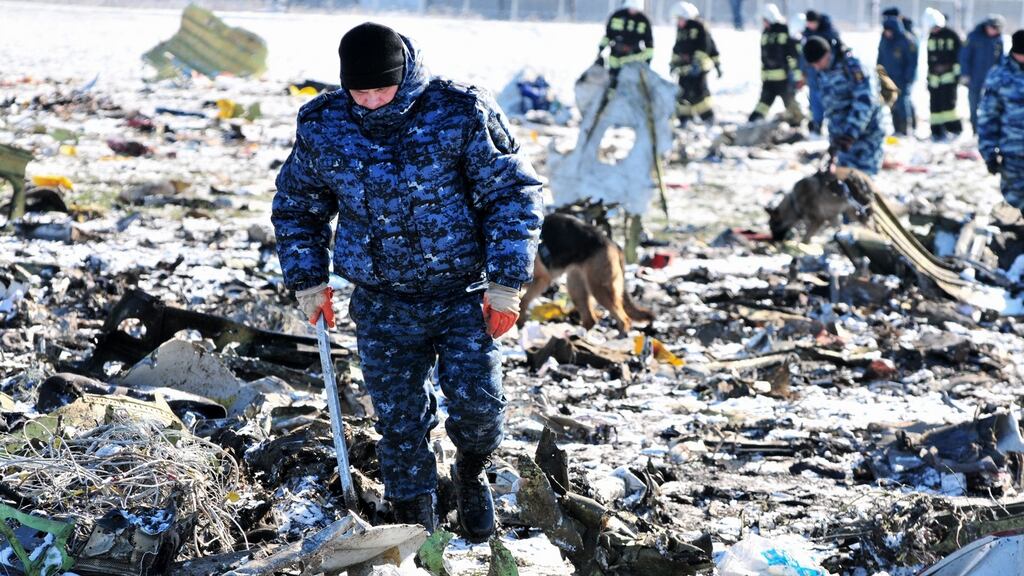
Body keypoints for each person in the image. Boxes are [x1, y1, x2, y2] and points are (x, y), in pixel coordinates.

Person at [271, 22, 543, 540]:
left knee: (479, 408)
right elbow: (298, 207)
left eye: (382, 88)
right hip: (381, 300)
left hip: (462, 294)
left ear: (406, 76)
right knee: (397, 423)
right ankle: (414, 522)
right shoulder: (324, 123)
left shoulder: (460, 112)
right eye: (360, 91)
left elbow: (512, 196)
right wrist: (309, 282)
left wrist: (507, 283)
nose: (371, 101)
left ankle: (470, 471)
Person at [803, 37, 886, 175]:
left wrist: (850, 133)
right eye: (813, 65)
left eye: (818, 62)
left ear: (827, 53)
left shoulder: (853, 66)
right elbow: (831, 106)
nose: (816, 67)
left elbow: (865, 101)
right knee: (845, 181)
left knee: (863, 181)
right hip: (843, 140)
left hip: (866, 135)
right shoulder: (823, 72)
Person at [978, 31, 1024, 211]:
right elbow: (988, 117)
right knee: (1015, 200)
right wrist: (988, 152)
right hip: (1013, 153)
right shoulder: (999, 75)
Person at [749, 3, 803, 125]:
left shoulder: (784, 30)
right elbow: (764, 56)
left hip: (783, 79)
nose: (764, 23)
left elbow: (792, 54)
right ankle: (754, 121)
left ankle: (798, 123)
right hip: (768, 78)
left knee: (790, 102)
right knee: (764, 102)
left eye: (765, 20)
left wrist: (797, 75)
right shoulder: (765, 33)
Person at [669, 1, 720, 126]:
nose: (678, 22)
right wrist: (673, 64)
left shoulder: (699, 27)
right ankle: (685, 120)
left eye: (680, 18)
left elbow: (706, 47)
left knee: (699, 95)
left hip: (698, 69)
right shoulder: (681, 30)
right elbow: (677, 48)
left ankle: (708, 118)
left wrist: (697, 63)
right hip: (684, 70)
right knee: (682, 95)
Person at [961, 14, 1005, 134]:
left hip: (992, 80)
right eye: (993, 28)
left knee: (991, 106)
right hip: (974, 78)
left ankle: (988, 129)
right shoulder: (973, 37)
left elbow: (1001, 60)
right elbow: (964, 57)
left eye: (997, 29)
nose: (994, 31)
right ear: (987, 26)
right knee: (974, 105)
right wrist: (965, 74)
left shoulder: (999, 39)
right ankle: (975, 129)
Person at [924, 8, 963, 140]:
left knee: (949, 104)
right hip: (934, 77)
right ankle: (936, 131)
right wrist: (929, 77)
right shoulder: (931, 37)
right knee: (934, 105)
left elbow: (959, 56)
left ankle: (954, 128)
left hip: (949, 76)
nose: (933, 30)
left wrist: (957, 75)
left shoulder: (952, 35)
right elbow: (929, 58)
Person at [877, 14, 918, 135]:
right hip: (888, 78)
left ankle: (905, 128)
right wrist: (880, 73)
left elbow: (912, 62)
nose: (887, 33)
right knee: (892, 103)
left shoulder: (907, 40)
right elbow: (880, 58)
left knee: (902, 103)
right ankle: (896, 128)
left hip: (902, 78)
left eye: (889, 31)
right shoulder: (884, 40)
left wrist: (908, 77)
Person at [802, 10, 842, 134]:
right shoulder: (807, 33)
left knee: (829, 98)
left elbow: (837, 51)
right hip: (812, 71)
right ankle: (816, 123)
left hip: (827, 72)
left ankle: (835, 126)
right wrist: (804, 69)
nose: (810, 25)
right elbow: (803, 54)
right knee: (814, 98)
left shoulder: (829, 32)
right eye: (808, 23)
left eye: (812, 23)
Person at [595, 0, 653, 83]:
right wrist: (600, 50)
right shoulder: (617, 16)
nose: (632, 10)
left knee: (630, 86)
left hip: (633, 61)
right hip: (614, 59)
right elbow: (608, 36)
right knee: (612, 83)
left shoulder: (643, 20)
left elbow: (649, 45)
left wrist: (648, 62)